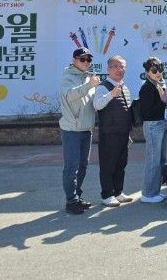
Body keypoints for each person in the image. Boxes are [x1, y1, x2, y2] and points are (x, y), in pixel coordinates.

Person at [60, 47, 100, 214]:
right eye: (82, 59)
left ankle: (77, 196)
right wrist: (89, 85)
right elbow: (70, 96)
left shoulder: (89, 78)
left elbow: (92, 103)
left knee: (83, 165)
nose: (86, 62)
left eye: (88, 59)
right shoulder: (67, 77)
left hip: (86, 129)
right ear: (74, 60)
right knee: (72, 167)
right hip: (72, 129)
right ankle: (71, 201)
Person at [93, 55, 134, 207]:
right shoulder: (103, 87)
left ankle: (118, 192)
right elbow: (97, 105)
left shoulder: (125, 87)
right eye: (115, 66)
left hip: (123, 132)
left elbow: (126, 111)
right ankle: (107, 195)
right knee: (108, 165)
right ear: (108, 69)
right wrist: (111, 94)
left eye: (122, 66)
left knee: (121, 164)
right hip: (109, 134)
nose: (119, 69)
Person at [138, 57, 167, 204]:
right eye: (154, 70)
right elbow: (148, 112)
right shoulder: (147, 87)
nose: (158, 72)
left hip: (161, 123)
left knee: (160, 160)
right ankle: (148, 193)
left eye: (160, 69)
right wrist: (163, 101)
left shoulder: (159, 85)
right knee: (153, 160)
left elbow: (163, 107)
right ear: (147, 72)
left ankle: (155, 191)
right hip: (152, 125)